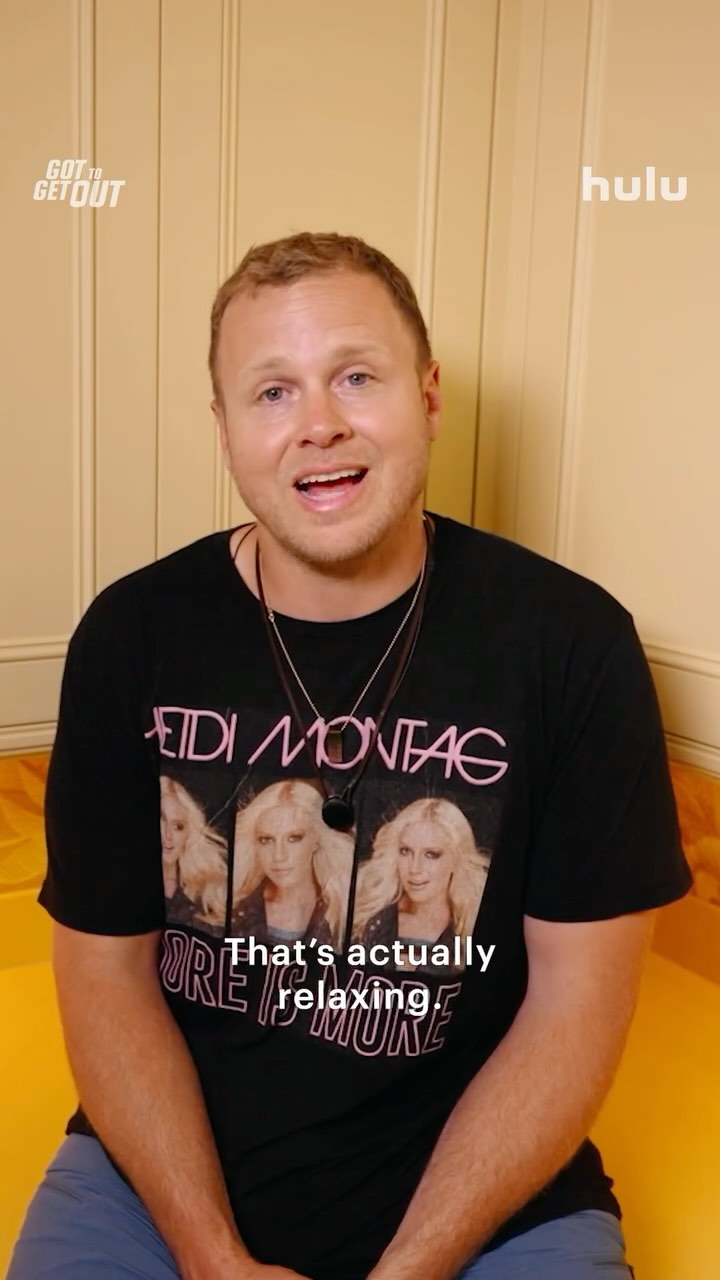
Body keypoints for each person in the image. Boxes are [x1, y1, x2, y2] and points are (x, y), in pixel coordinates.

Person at [10, 230, 692, 1280]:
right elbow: (105, 975)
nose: (318, 422)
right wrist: (211, 1254)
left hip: (491, 1207)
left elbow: (575, 1004)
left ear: (428, 394)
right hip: (153, 1185)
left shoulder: (572, 644)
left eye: (356, 376)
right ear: (226, 429)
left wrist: (411, 1267)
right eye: (272, 391)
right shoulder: (132, 635)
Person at [352, 796, 489, 970]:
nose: (415, 868)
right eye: (405, 851)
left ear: (456, 860)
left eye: (431, 854)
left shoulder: (474, 929)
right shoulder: (366, 921)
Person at [231, 778, 352, 948]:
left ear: (316, 839)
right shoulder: (233, 910)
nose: (279, 856)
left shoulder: (344, 913)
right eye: (266, 840)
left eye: (294, 838)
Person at [160, 773, 228, 934]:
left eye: (178, 826)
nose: (168, 835)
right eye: (161, 821)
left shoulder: (205, 893)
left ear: (188, 835)